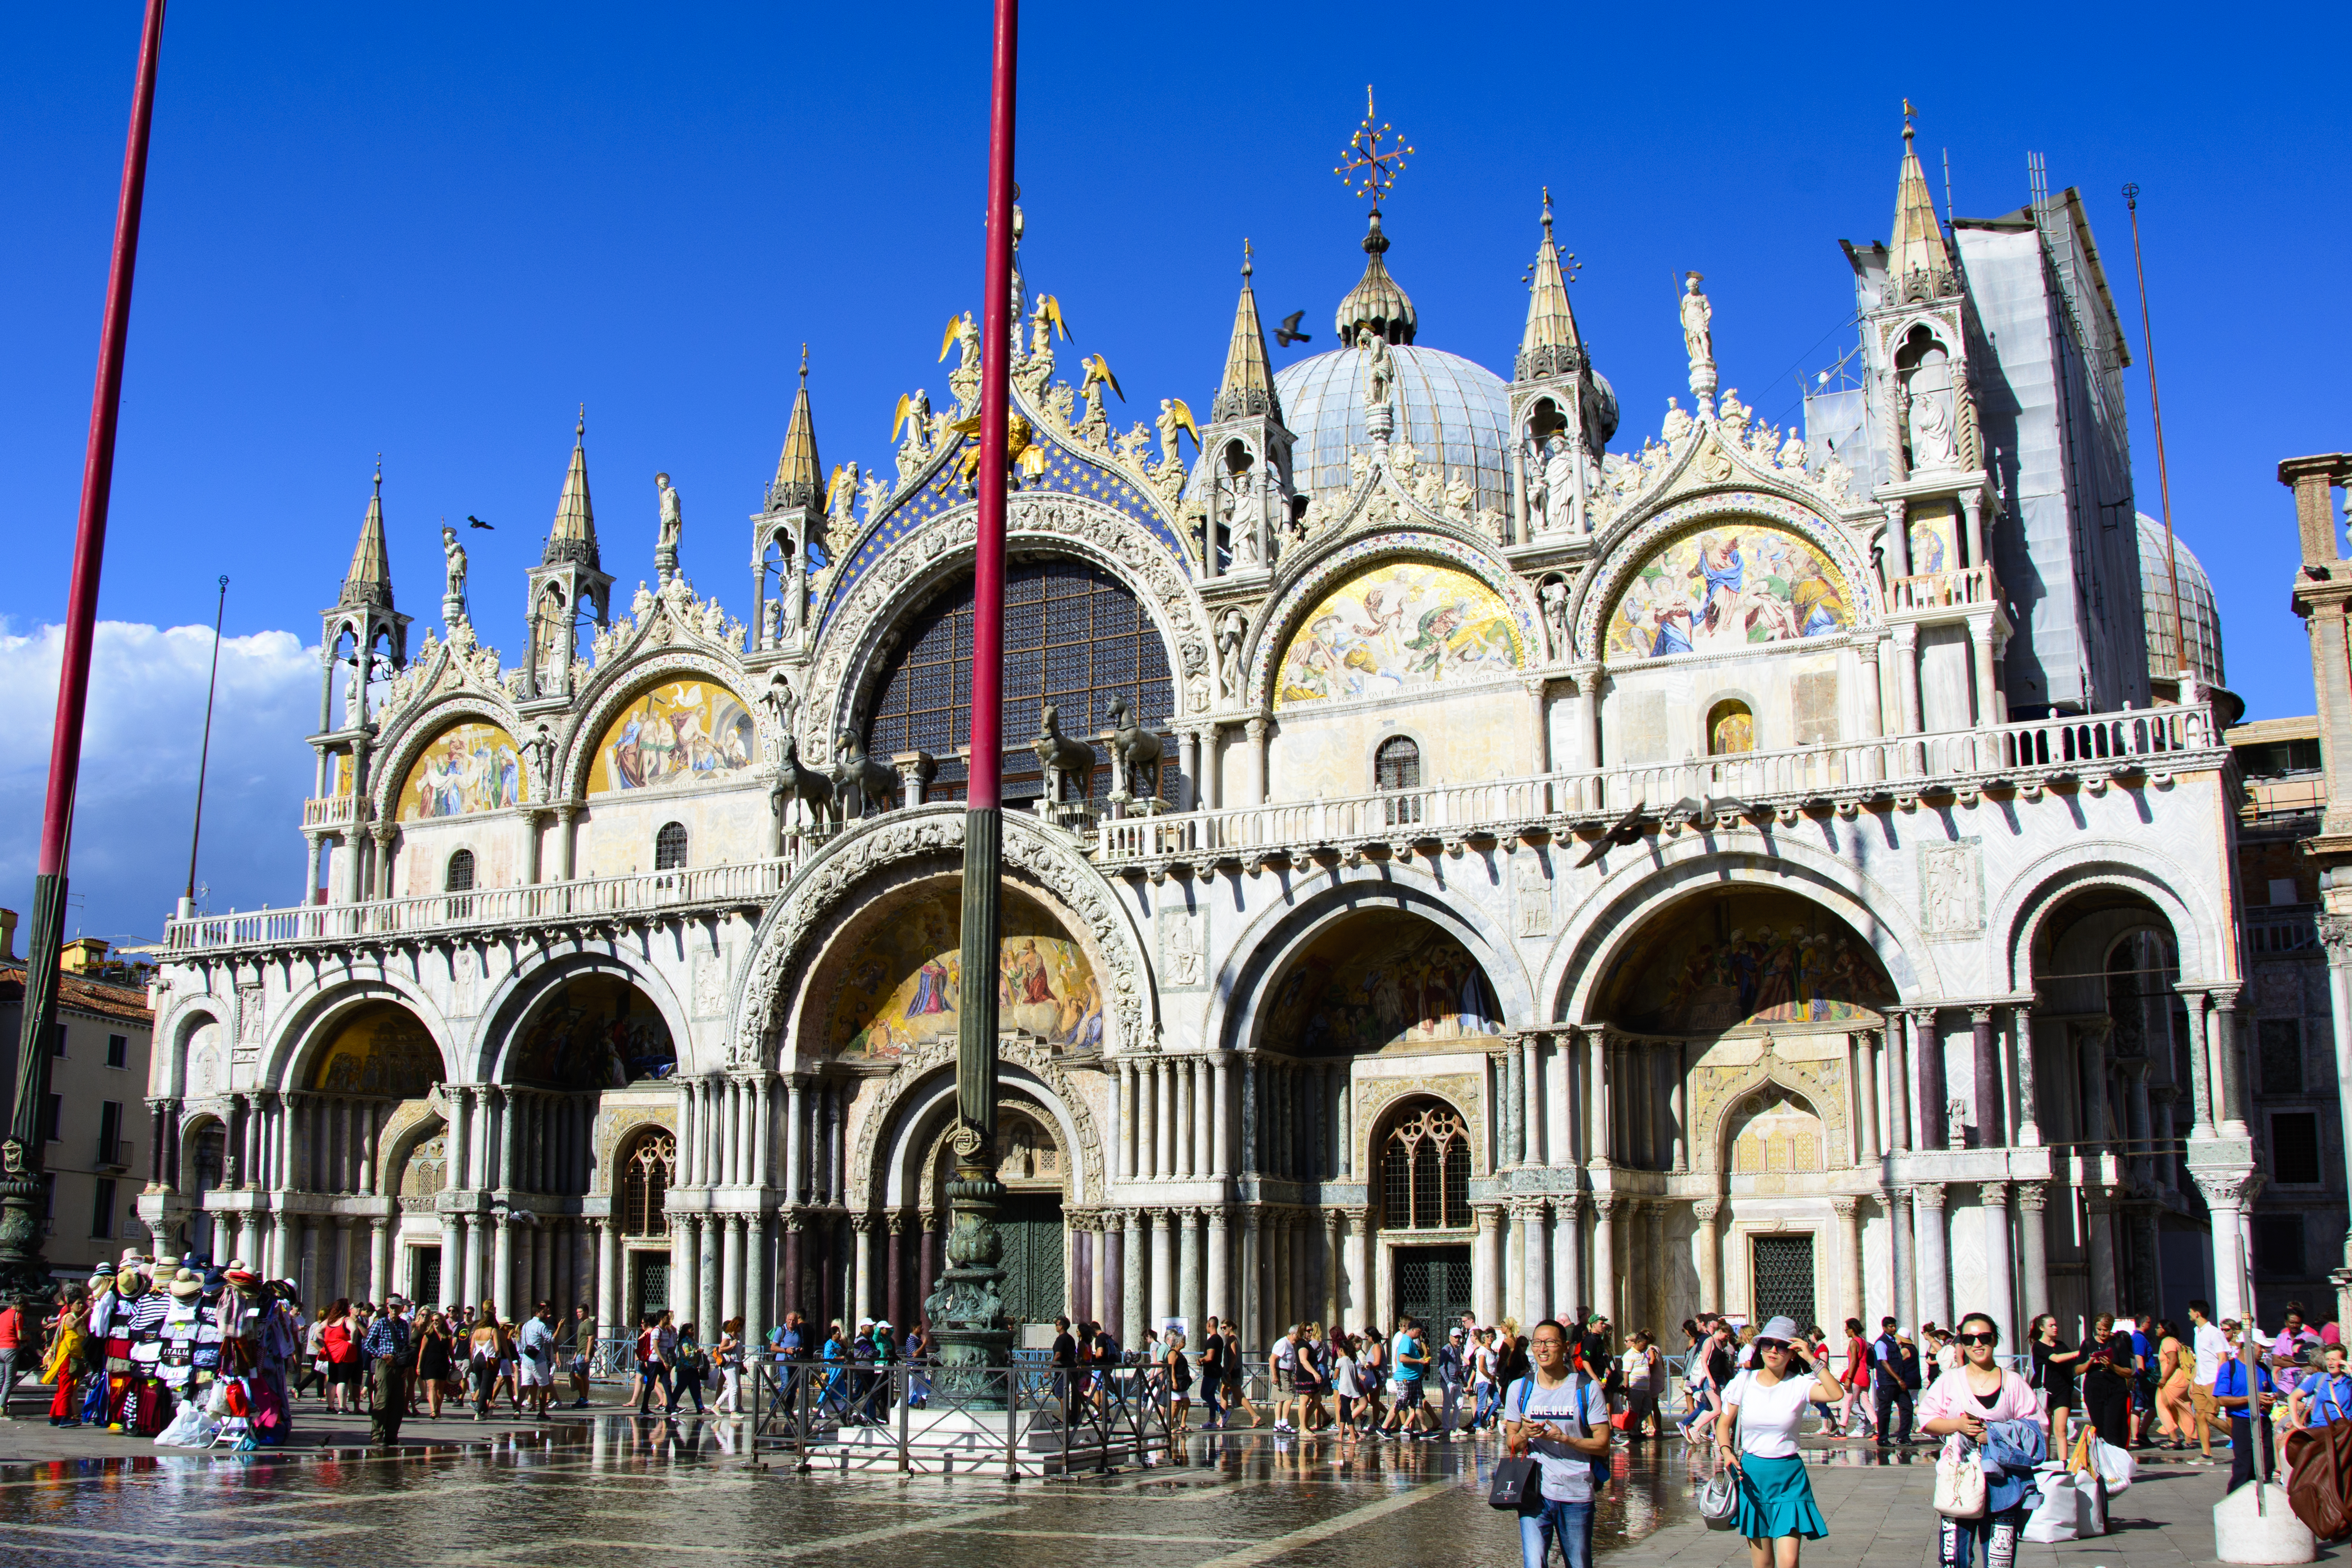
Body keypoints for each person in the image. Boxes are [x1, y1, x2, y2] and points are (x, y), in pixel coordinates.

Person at [1918, 1311, 2042, 1568]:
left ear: (1995, 1340)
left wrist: (1995, 1435)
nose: (1977, 1344)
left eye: (1984, 1337)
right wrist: (1958, 1425)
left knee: (2000, 1563)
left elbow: (2037, 1429)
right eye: (1969, 1338)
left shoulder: (2015, 1383)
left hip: (2005, 1486)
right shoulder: (1949, 1381)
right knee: (1954, 1562)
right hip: (1959, 1483)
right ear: (1961, 1344)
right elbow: (1927, 1421)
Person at [1716, 1315, 1840, 1568]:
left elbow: (1835, 1394)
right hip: (1752, 1476)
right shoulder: (1744, 1381)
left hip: (1789, 1478)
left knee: (1789, 1561)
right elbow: (1723, 1425)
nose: (1774, 1350)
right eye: (1767, 1344)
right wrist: (1727, 1453)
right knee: (1762, 1564)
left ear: (1792, 1352)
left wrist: (1811, 1358)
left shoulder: (1800, 1385)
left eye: (1782, 1346)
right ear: (1759, 1347)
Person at [1505, 1319, 1613, 1568]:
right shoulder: (1519, 1389)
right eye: (1537, 1343)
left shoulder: (1587, 1389)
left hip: (1576, 1492)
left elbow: (1603, 1444)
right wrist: (1524, 1434)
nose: (1543, 1349)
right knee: (1534, 1563)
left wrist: (1565, 1439)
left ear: (1565, 1347)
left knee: (1578, 1563)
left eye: (1550, 1343)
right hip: (1534, 1493)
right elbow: (1511, 1444)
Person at [2214, 1320, 2278, 1495]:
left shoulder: (2263, 1368)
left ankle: (2263, 1501)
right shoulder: (2230, 1368)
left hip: (2263, 1422)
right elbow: (2223, 1400)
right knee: (2245, 1464)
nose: (2264, 1352)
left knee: (2267, 1464)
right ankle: (2235, 1500)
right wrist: (2252, 1399)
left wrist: (2270, 1402)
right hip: (2242, 1422)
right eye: (2261, 1347)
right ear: (2248, 1346)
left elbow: (2272, 1392)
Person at [361, 1297, 414, 1446]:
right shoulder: (380, 1323)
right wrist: (383, 1355)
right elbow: (369, 1344)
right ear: (388, 1308)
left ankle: (392, 1435)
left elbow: (406, 1346)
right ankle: (376, 1435)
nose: (394, 1310)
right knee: (382, 1399)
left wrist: (406, 1366)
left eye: (397, 1307)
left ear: (401, 1308)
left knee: (398, 1402)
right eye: (392, 1307)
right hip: (384, 1363)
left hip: (399, 1365)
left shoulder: (404, 1325)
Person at [2080, 1312, 2135, 1448]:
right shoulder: (2088, 1343)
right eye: (2099, 1330)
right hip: (2094, 1387)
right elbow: (2077, 1370)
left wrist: (2111, 1365)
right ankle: (2102, 1458)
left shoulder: (2118, 1343)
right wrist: (2090, 1362)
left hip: (2115, 1387)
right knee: (2099, 1425)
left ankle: (2115, 1455)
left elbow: (2128, 1372)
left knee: (2112, 1426)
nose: (2102, 1333)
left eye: (2106, 1330)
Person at [2027, 1313, 2080, 1454]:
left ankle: (2064, 1464)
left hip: (2062, 1390)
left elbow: (2076, 1364)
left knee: (2061, 1430)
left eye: (2056, 1325)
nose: (2055, 1328)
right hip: (2044, 1390)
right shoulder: (2038, 1345)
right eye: (2051, 1325)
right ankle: (2045, 1461)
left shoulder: (2062, 1346)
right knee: (2045, 1431)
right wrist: (2078, 1353)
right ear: (2042, 1328)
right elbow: (2055, 1359)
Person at [2189, 1299, 2228, 1459]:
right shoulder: (2197, 1332)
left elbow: (2223, 1358)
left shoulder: (2215, 1333)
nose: (2189, 1314)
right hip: (2200, 1381)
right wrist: (2192, 1381)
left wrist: (2220, 1383)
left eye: (2190, 1311)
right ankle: (2206, 1454)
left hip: (2213, 1381)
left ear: (2197, 1313)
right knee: (2200, 1415)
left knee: (2211, 1417)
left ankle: (2242, 1440)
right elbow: (2199, 1359)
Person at [1871, 1317, 1918, 1446]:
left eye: (1895, 1326)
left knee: (1908, 1406)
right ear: (1884, 1328)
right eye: (1891, 1327)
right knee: (1885, 1411)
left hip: (1897, 1383)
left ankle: (1903, 1436)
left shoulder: (1894, 1342)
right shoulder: (1881, 1343)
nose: (1894, 1329)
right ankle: (1883, 1438)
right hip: (1887, 1383)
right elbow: (1884, 1363)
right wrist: (1898, 1379)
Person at [2290, 1343, 2352, 1431]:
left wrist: (2350, 1371)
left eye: (2334, 1360)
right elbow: (2292, 1397)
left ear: (2343, 1361)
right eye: (2327, 1359)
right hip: (2318, 1429)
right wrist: (2296, 1423)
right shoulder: (2319, 1378)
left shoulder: (2349, 1381)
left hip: (2342, 1431)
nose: (2330, 1363)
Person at [518, 1302, 558, 1417]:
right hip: (538, 1360)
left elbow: (523, 1343)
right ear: (537, 1313)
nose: (546, 1314)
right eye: (543, 1312)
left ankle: (518, 1410)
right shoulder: (541, 1326)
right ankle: (542, 1412)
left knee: (525, 1385)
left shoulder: (525, 1325)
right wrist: (559, 1327)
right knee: (544, 1386)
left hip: (526, 1359)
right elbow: (552, 1339)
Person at [413, 1308, 453, 1419]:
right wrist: (419, 1366)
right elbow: (422, 1351)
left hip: (443, 1362)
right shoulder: (428, 1334)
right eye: (434, 1320)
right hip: (430, 1363)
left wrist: (454, 1363)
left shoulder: (447, 1334)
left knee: (441, 1389)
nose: (435, 1322)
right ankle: (433, 1410)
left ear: (442, 1321)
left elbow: (450, 1350)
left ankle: (438, 1410)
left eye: (437, 1320)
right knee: (433, 1387)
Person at [321, 1298, 358, 1414]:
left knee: (332, 1379)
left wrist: (324, 1342)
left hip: (332, 1353)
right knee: (343, 1379)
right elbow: (354, 1329)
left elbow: (318, 1331)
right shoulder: (346, 1320)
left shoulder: (329, 1321)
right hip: (345, 1352)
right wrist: (352, 1342)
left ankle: (330, 1406)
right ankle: (342, 1407)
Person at [1622, 1331, 1661, 1438]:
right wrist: (1626, 1387)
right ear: (1638, 1342)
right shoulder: (1630, 1355)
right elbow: (1626, 1372)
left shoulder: (1643, 1354)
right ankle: (1634, 1431)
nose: (1645, 1347)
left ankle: (1638, 1427)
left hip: (1645, 1388)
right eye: (1644, 1345)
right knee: (1635, 1411)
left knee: (1648, 1409)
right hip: (1635, 1388)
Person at [468, 1308, 504, 1421]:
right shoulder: (493, 1331)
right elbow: (498, 1349)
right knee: (485, 1387)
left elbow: (472, 1348)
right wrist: (494, 1354)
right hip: (488, 1360)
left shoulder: (476, 1332)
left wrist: (471, 1362)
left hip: (477, 1360)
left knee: (481, 1385)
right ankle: (479, 1412)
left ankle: (485, 1410)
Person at [1198, 1316, 1227, 1430]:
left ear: (1209, 1325)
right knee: (1211, 1396)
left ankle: (1223, 1413)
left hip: (1211, 1372)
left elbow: (1210, 1357)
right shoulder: (1219, 1339)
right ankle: (1212, 1421)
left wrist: (1200, 1360)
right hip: (1217, 1371)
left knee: (1204, 1395)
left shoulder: (1212, 1340)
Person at [674, 1321, 708, 1415]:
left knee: (696, 1388)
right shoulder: (685, 1341)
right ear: (686, 1331)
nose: (693, 1332)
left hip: (693, 1368)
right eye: (691, 1330)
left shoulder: (692, 1340)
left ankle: (700, 1408)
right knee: (680, 1388)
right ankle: (671, 1406)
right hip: (685, 1369)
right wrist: (697, 1352)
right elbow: (686, 1354)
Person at [566, 1304, 596, 1409]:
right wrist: (576, 1353)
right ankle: (584, 1399)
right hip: (580, 1352)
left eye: (580, 1312)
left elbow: (591, 1339)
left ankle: (583, 1397)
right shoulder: (581, 1324)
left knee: (575, 1373)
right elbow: (581, 1341)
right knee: (584, 1376)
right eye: (577, 1312)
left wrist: (587, 1354)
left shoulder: (589, 1324)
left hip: (584, 1353)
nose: (578, 1314)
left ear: (586, 1312)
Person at [1164, 1328, 1192, 1434]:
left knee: (1186, 1402)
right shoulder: (1173, 1353)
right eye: (1183, 1342)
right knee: (1175, 1405)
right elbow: (1171, 1368)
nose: (1185, 1344)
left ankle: (1183, 1424)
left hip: (1183, 1383)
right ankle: (1170, 1426)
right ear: (1178, 1342)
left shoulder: (1179, 1353)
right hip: (1177, 1382)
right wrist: (1174, 1381)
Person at [0, 1293, 23, 1419]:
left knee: (0, 1379)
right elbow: (20, 1336)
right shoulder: (17, 1315)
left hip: (0, 1348)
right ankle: (2, 1408)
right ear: (20, 1305)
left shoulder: (2, 1315)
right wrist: (28, 1337)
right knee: (9, 1380)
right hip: (11, 1349)